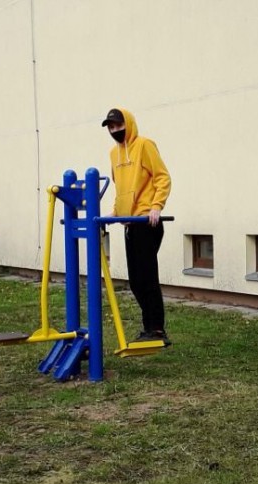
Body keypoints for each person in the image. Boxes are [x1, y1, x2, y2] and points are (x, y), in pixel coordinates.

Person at [102, 107, 173, 344]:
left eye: (118, 126)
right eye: (111, 127)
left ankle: (157, 329)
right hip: (130, 223)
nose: (115, 130)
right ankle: (149, 327)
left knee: (147, 277)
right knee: (135, 280)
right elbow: (120, 187)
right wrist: (115, 212)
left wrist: (156, 206)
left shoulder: (144, 145)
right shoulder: (114, 154)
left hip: (146, 220)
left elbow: (162, 177)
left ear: (128, 124)